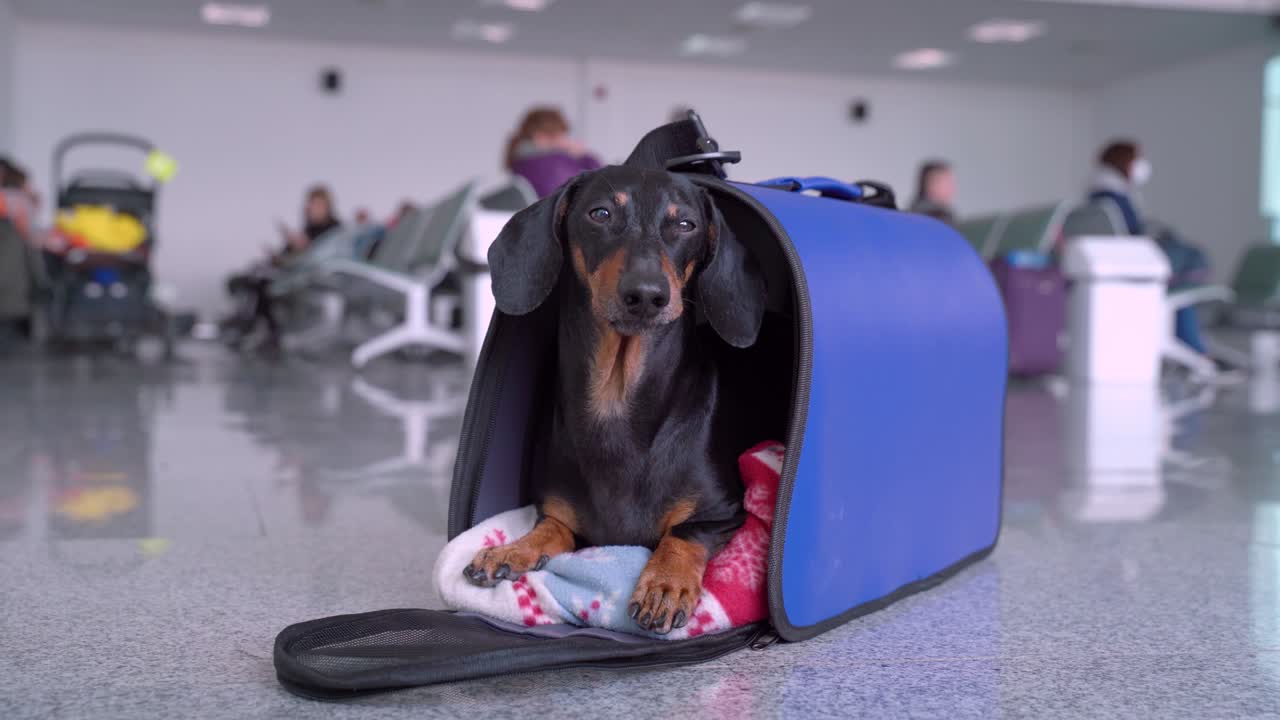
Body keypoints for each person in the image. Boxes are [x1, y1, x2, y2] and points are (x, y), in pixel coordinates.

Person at [223, 185, 343, 352]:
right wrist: (280, 256)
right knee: (253, 276)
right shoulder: (309, 228)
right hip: (292, 271)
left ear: (327, 206)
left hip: (311, 278)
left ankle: (266, 331)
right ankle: (252, 325)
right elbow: (290, 255)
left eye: (317, 205)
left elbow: (321, 258)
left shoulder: (334, 231)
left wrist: (303, 248)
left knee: (264, 284)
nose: (312, 209)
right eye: (311, 205)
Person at [504, 107, 601, 198]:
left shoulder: (522, 160)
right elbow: (599, 181)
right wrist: (584, 156)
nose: (565, 140)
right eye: (561, 135)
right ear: (540, 137)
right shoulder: (552, 162)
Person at [909, 160, 956, 225]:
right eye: (947, 182)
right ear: (930, 184)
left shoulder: (910, 212)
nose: (952, 187)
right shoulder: (939, 216)